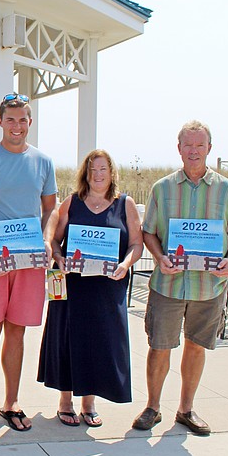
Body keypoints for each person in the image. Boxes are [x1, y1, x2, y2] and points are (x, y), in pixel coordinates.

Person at [132, 121, 228, 436]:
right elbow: (148, 231)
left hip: (209, 286)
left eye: (199, 145)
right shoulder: (162, 188)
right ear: (179, 148)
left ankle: (185, 409)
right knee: (159, 346)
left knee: (196, 347)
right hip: (168, 283)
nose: (193, 151)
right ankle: (152, 408)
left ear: (209, 148)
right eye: (188, 145)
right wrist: (159, 257)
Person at [0, 93, 57, 433]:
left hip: (29, 260)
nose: (17, 126)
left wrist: (47, 240)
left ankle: (11, 402)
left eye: (23, 120)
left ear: (30, 122)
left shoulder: (43, 162)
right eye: (11, 119)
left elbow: (50, 209)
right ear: (0, 122)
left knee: (17, 331)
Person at [39, 149, 143, 427]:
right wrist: (58, 257)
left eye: (103, 170)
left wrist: (125, 263)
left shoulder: (126, 204)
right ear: (85, 174)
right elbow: (57, 240)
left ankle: (89, 402)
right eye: (92, 170)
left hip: (107, 287)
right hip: (72, 286)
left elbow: (136, 243)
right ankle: (65, 401)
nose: (97, 175)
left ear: (112, 174)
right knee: (68, 339)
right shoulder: (72, 203)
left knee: (99, 342)